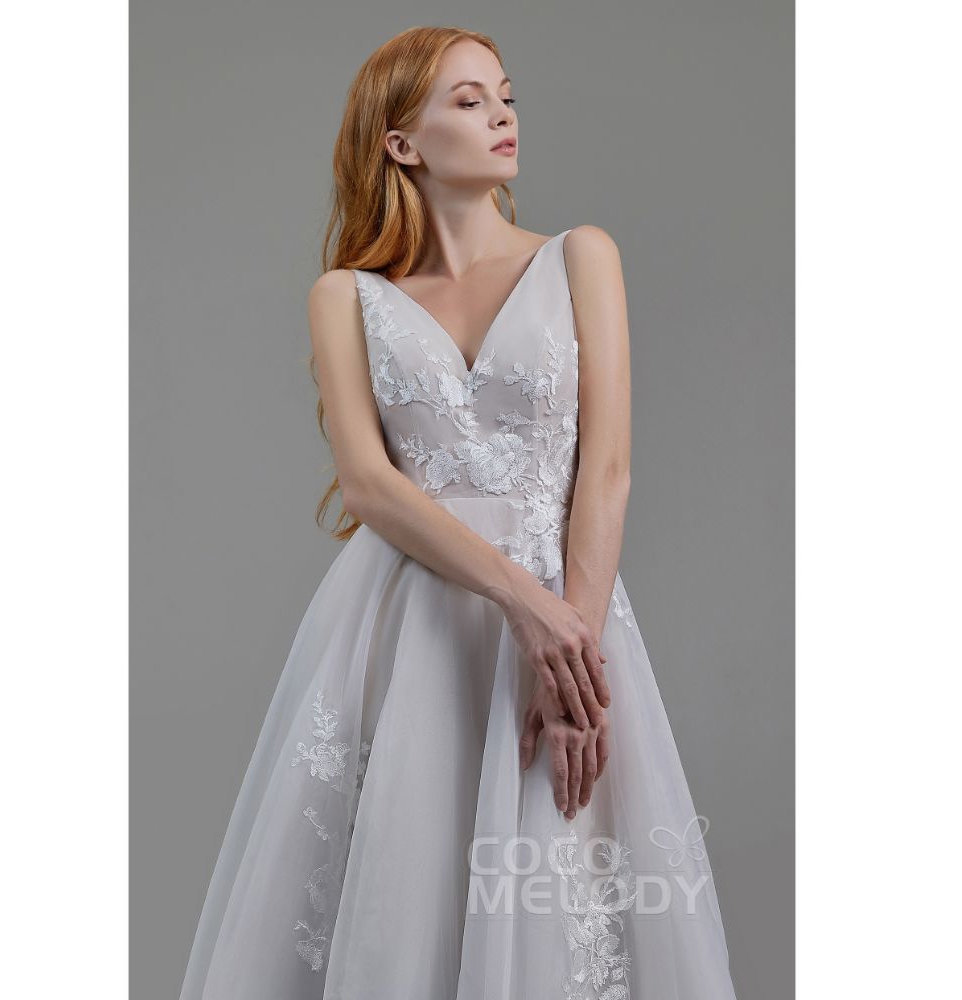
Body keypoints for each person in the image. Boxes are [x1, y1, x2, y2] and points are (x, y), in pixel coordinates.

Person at [179, 25, 739, 1000]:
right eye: (469, 101)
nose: (502, 117)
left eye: (505, 96)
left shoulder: (581, 258)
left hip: (571, 617)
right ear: (401, 141)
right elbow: (368, 485)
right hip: (414, 628)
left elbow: (606, 472)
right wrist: (524, 602)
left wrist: (571, 656)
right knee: (407, 892)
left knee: (554, 891)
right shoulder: (345, 297)